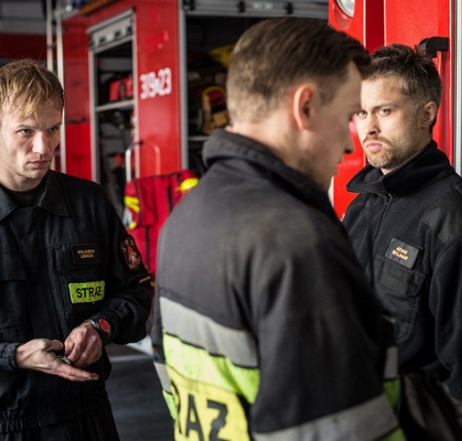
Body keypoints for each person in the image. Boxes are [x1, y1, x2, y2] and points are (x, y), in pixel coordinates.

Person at [151, 18, 404, 440]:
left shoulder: (186, 215)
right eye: (346, 116)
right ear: (304, 107)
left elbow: (172, 379)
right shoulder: (295, 242)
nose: (348, 144)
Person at [0, 59, 152, 439]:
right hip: (2, 427)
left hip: (88, 419)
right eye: (25, 131)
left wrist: (100, 326)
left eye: (53, 129)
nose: (43, 146)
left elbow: (136, 291)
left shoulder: (89, 203)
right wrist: (12, 356)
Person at [343, 43, 462, 437]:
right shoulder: (362, 206)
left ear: (427, 113)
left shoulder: (460, 226)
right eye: (361, 113)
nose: (368, 127)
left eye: (384, 111)